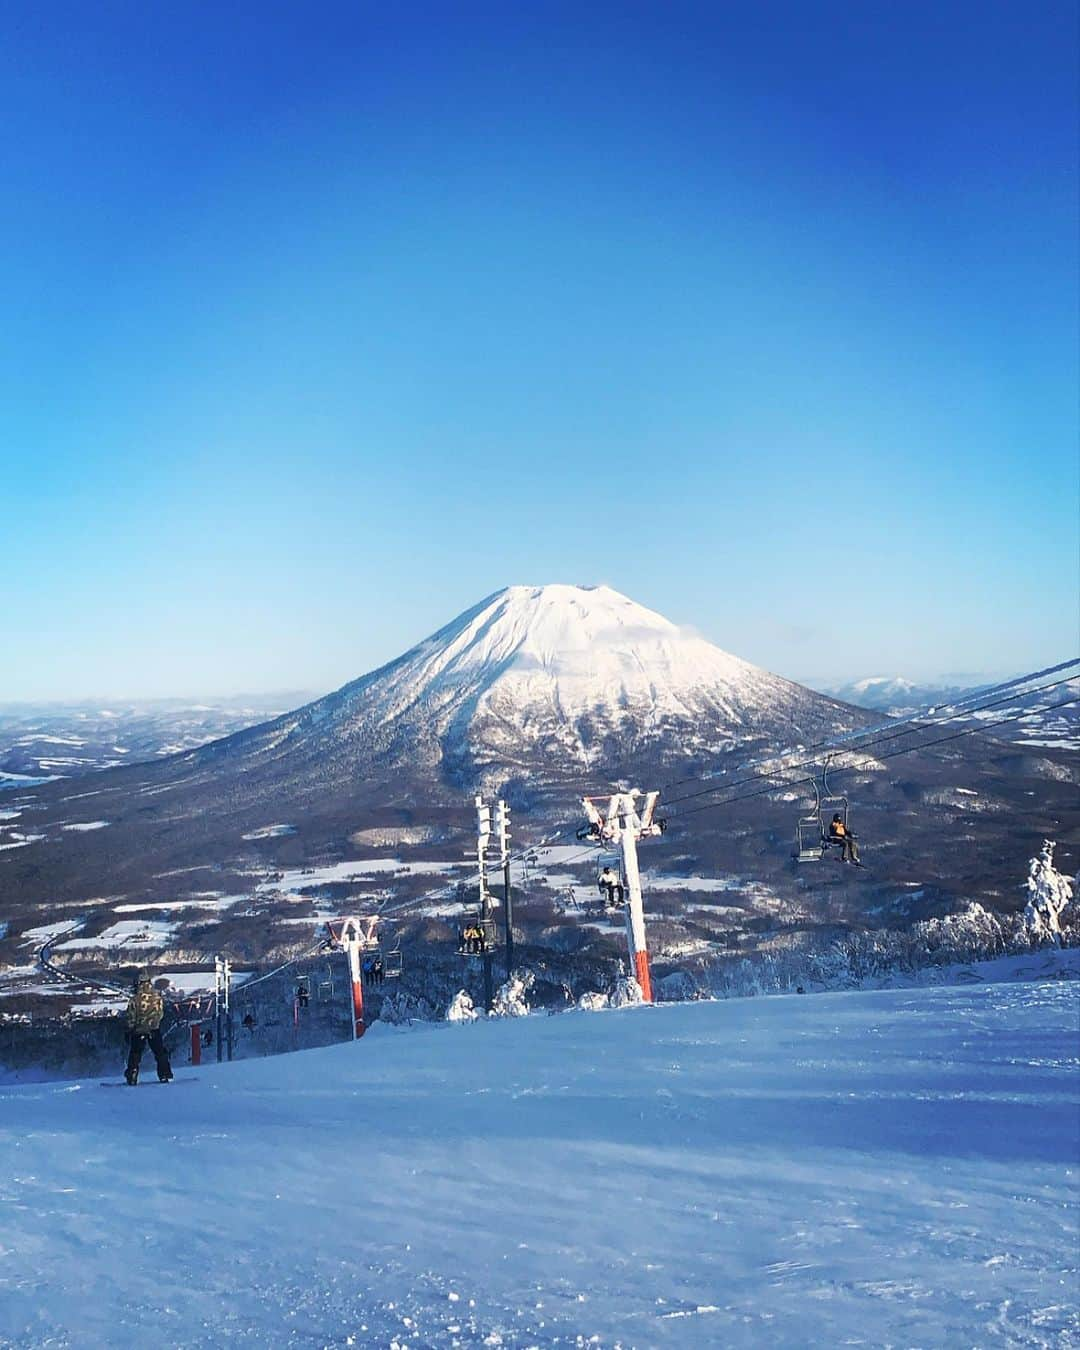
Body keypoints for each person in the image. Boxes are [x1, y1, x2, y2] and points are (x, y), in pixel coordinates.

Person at [124, 973, 172, 1085]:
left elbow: (131, 1016)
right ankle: (165, 1074)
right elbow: (160, 1014)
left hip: (138, 1030)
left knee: (135, 1054)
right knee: (160, 1053)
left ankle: (132, 1075)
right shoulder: (157, 996)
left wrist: (129, 1030)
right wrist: (154, 1024)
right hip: (154, 1029)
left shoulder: (135, 999)